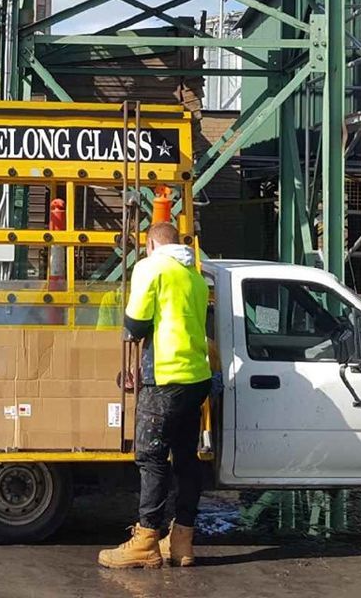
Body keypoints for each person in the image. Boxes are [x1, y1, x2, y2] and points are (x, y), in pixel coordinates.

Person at [99, 221, 211, 570]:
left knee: (151, 458)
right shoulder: (193, 275)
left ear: (150, 245)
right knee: (187, 460)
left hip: (164, 378)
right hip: (196, 378)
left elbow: (134, 324)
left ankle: (146, 539)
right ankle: (182, 541)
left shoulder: (151, 267)